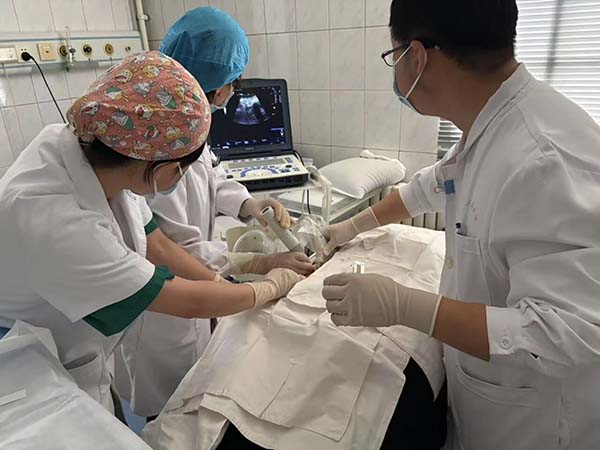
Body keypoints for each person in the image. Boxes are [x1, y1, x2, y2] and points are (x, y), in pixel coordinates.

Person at [321, 1, 600, 449]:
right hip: (484, 400)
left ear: (417, 57)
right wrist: (352, 226)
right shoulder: (489, 123)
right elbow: (431, 186)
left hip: (534, 426)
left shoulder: (545, 158)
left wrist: (406, 306)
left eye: (394, 56)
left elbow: (564, 336)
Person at [0, 50, 303, 415]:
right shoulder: (55, 221)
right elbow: (185, 301)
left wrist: (221, 283)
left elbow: (156, 245)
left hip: (70, 344)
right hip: (27, 369)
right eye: (183, 169)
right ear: (163, 168)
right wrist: (267, 287)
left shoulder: (109, 156)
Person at [115, 7, 314, 419]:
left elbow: (214, 175)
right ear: (217, 85)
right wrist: (260, 265)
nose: (235, 90)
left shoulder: (189, 124)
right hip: (167, 311)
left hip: (195, 292)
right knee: (172, 416)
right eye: (233, 81)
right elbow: (175, 250)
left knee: (200, 391)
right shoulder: (165, 148)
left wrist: (249, 204)